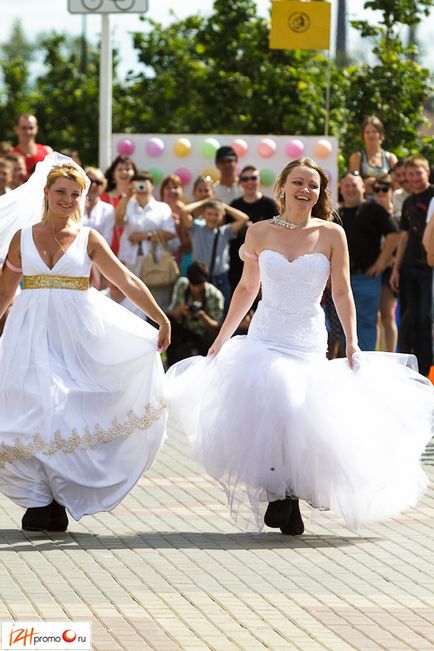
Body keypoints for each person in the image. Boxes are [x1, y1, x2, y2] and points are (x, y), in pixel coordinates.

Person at [167, 157, 433, 535]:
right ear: (283, 187)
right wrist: (222, 338)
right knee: (273, 406)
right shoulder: (258, 232)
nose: (305, 190)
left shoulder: (330, 234)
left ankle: (289, 492)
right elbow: (246, 288)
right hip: (265, 334)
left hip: (307, 338)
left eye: (313, 185)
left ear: (320, 192)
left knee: (297, 412)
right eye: (299, 183)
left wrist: (353, 342)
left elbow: (341, 291)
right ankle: (281, 496)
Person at [0, 155, 171, 532]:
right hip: (29, 334)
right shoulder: (21, 238)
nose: (67, 199)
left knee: (65, 408)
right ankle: (37, 495)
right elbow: (3, 293)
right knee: (31, 407)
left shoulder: (88, 238)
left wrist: (159, 316)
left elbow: (126, 280)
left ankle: (59, 494)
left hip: (76, 334)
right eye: (60, 192)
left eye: (74, 194)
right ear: (45, 192)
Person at [339, 172, 399, 351]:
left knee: (365, 322)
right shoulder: (335, 213)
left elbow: (394, 234)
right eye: (347, 185)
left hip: (366, 278)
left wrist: (381, 262)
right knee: (342, 324)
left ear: (364, 188)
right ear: (341, 189)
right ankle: (345, 367)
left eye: (354, 185)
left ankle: (364, 367)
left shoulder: (374, 210)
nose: (350, 189)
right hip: (340, 280)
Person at [390, 155, 434, 376]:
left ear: (427, 172)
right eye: (410, 174)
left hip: (429, 268)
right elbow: (403, 237)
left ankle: (427, 368)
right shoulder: (407, 202)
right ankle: (412, 369)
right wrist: (396, 269)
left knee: (426, 318)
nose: (414, 178)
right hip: (409, 268)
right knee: (410, 318)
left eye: (418, 172)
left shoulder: (433, 196)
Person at [117, 171, 177, 312]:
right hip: (130, 259)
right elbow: (119, 221)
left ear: (152, 185)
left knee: (154, 301)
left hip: (153, 260)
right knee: (129, 300)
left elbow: (170, 233)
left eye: (144, 183)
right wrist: (127, 197)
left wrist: (146, 236)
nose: (141, 187)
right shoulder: (128, 204)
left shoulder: (162, 208)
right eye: (138, 184)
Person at [180, 198, 249, 311]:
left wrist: (223, 206)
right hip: (199, 280)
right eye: (209, 214)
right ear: (204, 214)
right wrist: (204, 202)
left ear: (222, 216)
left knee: (222, 313)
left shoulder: (225, 232)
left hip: (220, 280)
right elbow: (183, 211)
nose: (212, 217)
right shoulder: (196, 229)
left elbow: (244, 218)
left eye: (216, 214)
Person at [229, 165, 278, 290]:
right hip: (237, 264)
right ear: (241, 183)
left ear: (259, 181)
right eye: (245, 179)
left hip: (264, 265)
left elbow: (278, 233)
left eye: (253, 178)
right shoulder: (234, 205)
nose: (250, 182)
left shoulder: (270, 205)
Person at [166, 261, 224, 366]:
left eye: (200, 285)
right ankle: (170, 366)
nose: (196, 289)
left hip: (204, 336)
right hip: (184, 332)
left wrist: (204, 318)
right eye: (194, 285)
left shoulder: (215, 295)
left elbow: (219, 328)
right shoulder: (181, 285)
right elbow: (170, 314)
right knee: (169, 325)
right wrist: (181, 310)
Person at [371, 174, 399, 352]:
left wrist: (387, 261)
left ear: (392, 191)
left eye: (384, 189)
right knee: (373, 317)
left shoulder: (397, 214)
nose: (380, 193)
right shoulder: (368, 212)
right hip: (369, 270)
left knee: (388, 315)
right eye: (377, 189)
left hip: (390, 270)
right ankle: (374, 353)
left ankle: (390, 355)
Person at [348, 116, 397, 199]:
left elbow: (397, 182)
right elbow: (352, 184)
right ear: (363, 135)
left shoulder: (390, 158)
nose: (371, 135)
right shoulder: (357, 157)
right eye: (367, 132)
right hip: (365, 201)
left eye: (374, 131)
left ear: (380, 134)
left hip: (387, 200)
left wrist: (373, 182)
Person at [101, 155, 138, 256]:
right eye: (120, 169)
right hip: (108, 251)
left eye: (128, 169)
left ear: (134, 172)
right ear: (113, 174)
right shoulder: (103, 198)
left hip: (134, 253)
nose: (124, 172)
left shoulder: (140, 198)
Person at [12, 113, 53, 179]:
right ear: (16, 129)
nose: (27, 132)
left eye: (31, 128)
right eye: (24, 128)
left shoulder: (47, 151)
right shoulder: (10, 155)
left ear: (36, 129)